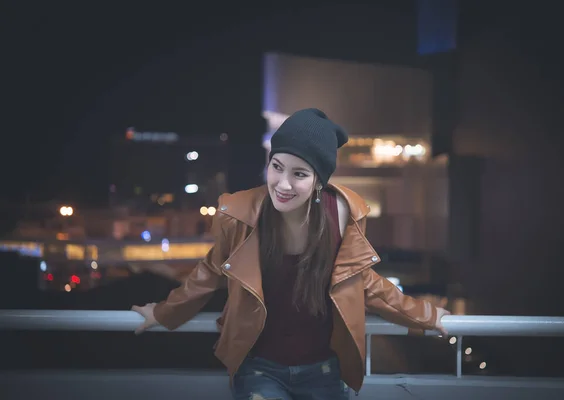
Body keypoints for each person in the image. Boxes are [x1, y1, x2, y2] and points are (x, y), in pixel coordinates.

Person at [132, 108, 450, 399]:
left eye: (299, 174)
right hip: (259, 368)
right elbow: (209, 274)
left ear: (318, 183)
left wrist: (428, 316)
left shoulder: (341, 220)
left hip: (324, 369)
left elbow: (367, 285)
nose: (282, 184)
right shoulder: (244, 217)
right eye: (277, 167)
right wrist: (162, 313)